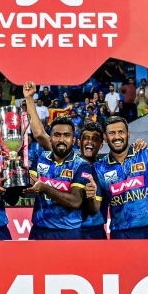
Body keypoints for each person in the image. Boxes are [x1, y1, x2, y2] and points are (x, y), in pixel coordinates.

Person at [91, 116, 148, 245]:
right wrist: (89, 196)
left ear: (128, 134)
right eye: (111, 133)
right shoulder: (98, 168)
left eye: (121, 132)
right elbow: (95, 208)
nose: (117, 137)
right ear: (105, 137)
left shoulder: (147, 155)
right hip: (119, 234)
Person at [23, 82, 94, 239]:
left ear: (74, 139)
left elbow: (76, 201)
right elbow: (30, 185)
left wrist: (45, 188)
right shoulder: (41, 158)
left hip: (68, 233)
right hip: (39, 231)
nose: (61, 140)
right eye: (57, 135)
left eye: (66, 135)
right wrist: (21, 180)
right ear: (52, 137)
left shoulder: (81, 165)